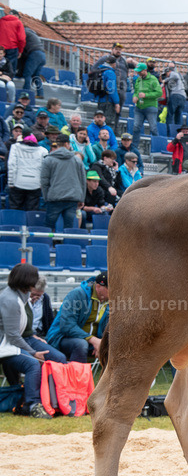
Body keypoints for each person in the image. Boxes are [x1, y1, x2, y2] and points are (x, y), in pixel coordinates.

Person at [0, 264, 66, 418]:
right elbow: (12, 336)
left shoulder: (18, 295)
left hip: (17, 341)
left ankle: (55, 400)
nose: (36, 280)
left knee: (58, 359)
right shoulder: (10, 299)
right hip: (5, 345)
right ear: (26, 279)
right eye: (34, 276)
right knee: (32, 364)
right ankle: (32, 405)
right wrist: (33, 352)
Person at [46, 272, 109, 364]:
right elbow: (67, 326)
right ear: (98, 286)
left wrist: (102, 342)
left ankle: (108, 377)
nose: (115, 292)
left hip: (93, 341)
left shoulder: (110, 300)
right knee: (81, 344)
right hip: (62, 338)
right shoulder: (77, 294)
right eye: (110, 288)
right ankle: (77, 377)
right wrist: (93, 340)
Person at [39, 133, 86, 230]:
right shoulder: (77, 160)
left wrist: (46, 196)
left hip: (54, 198)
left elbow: (44, 181)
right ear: (67, 144)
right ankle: (67, 245)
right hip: (72, 198)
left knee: (48, 226)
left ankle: (47, 244)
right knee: (68, 228)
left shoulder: (48, 159)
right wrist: (81, 198)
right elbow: (82, 180)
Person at [7, 133, 47, 210]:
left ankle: (16, 222)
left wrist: (11, 182)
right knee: (32, 211)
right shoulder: (43, 150)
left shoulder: (15, 147)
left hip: (18, 183)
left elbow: (11, 165)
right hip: (35, 184)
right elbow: (44, 169)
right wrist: (42, 184)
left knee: (15, 210)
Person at [131, 62, 161, 145]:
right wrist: (135, 96)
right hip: (139, 107)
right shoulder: (138, 79)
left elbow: (159, 93)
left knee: (153, 128)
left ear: (145, 70)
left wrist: (146, 95)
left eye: (140, 71)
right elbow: (136, 91)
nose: (138, 73)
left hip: (150, 107)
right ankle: (134, 147)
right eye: (137, 71)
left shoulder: (153, 79)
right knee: (136, 127)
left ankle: (156, 147)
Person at [18, 26, 46, 100]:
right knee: (36, 75)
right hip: (42, 55)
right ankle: (40, 94)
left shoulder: (23, 32)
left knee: (27, 74)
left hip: (35, 54)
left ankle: (25, 93)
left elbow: (21, 44)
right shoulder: (32, 33)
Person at [93, 61, 121, 127]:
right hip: (108, 101)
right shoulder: (110, 72)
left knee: (98, 122)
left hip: (100, 99)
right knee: (108, 123)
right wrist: (117, 103)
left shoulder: (100, 71)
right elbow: (111, 89)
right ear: (113, 64)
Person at [0, 6, 25, 78]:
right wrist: (20, 50)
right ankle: (7, 86)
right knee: (10, 70)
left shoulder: (1, 21)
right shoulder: (18, 22)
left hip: (1, 47)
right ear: (16, 16)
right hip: (12, 48)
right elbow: (22, 39)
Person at [163, 63, 187, 127]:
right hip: (183, 96)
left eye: (166, 74)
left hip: (176, 96)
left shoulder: (173, 73)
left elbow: (174, 76)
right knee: (178, 117)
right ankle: (177, 132)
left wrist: (165, 81)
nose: (166, 75)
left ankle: (168, 131)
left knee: (170, 115)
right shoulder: (178, 78)